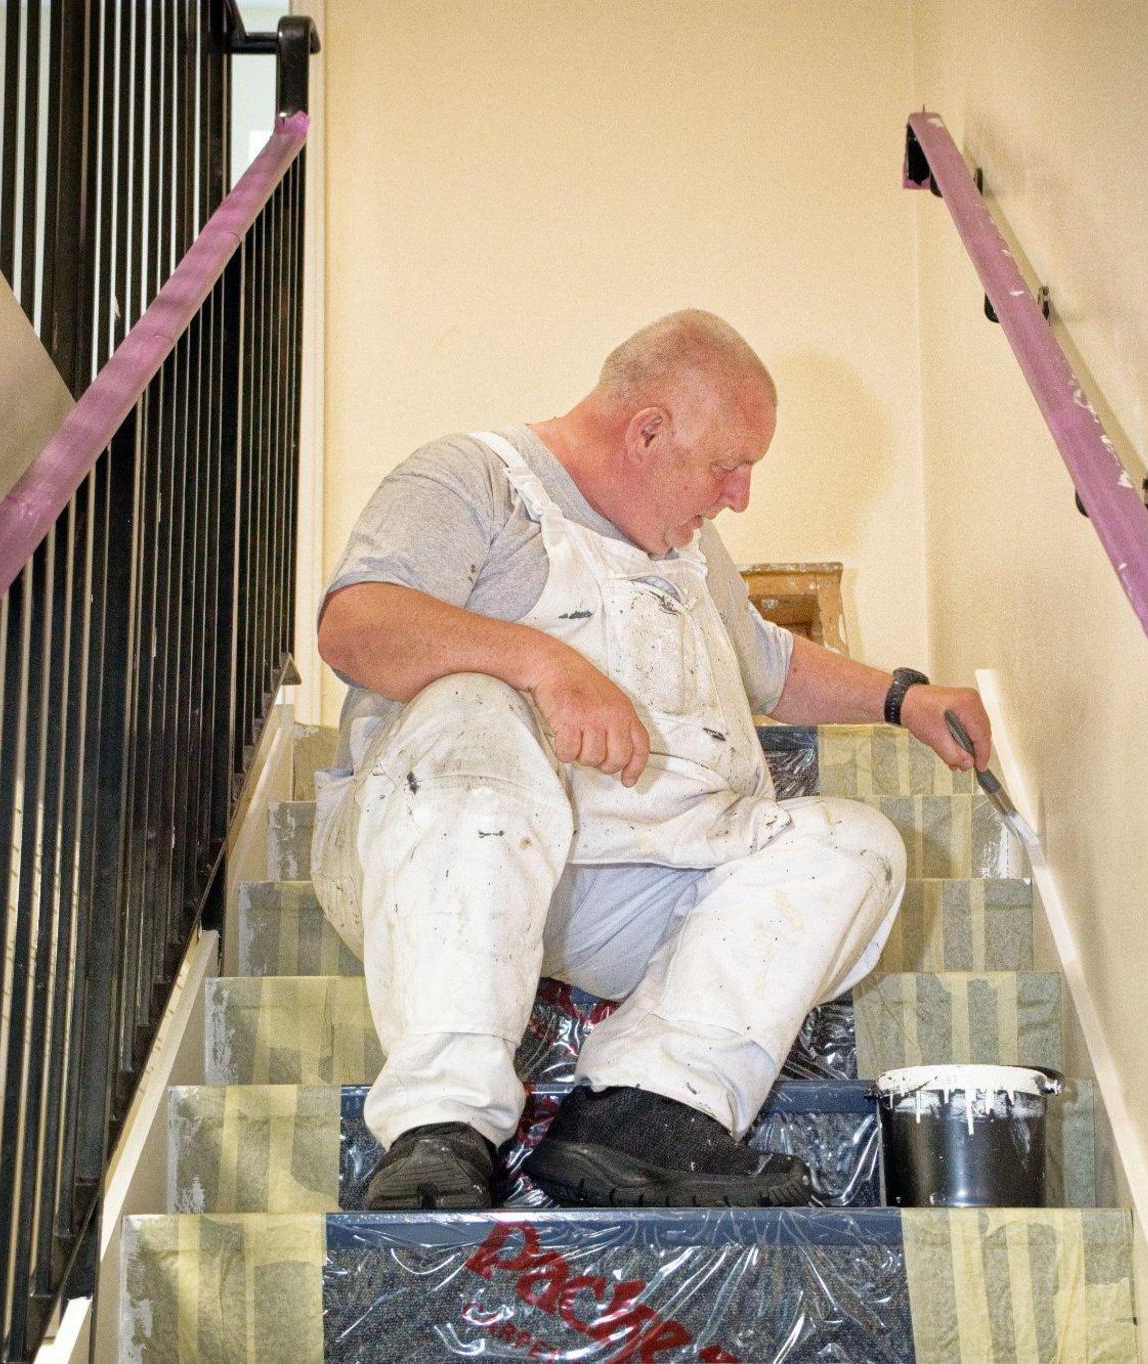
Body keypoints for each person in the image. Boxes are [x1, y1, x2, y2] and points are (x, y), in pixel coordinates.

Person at [312, 309, 994, 1209]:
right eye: (729, 465)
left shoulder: (686, 547)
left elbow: (770, 666)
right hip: (451, 867)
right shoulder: (473, 479)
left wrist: (905, 699)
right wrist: (544, 663)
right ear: (648, 430)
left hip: (640, 886)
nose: (742, 494)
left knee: (856, 845)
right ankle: (441, 1127)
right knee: (471, 704)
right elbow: (356, 625)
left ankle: (641, 1119)